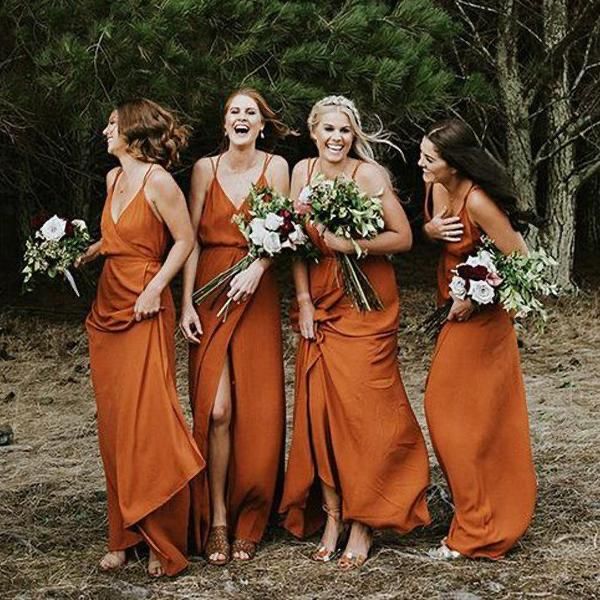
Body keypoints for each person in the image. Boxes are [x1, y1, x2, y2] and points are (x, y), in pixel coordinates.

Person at [279, 96, 431, 570]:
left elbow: (403, 237)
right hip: (320, 302)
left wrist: (353, 243)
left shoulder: (368, 175)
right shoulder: (300, 173)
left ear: (354, 134)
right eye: (328, 129)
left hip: (367, 304)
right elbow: (295, 244)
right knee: (321, 412)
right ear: (313, 131)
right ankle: (333, 514)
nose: (336, 138)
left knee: (365, 414)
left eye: (344, 130)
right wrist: (302, 301)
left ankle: (364, 521)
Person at [82, 98, 204, 576]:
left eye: (112, 124)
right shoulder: (114, 179)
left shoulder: (159, 182)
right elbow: (120, 238)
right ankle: (123, 533)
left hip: (145, 304)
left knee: (148, 420)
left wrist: (156, 288)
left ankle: (162, 536)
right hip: (107, 306)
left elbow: (185, 239)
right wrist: (90, 250)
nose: (105, 131)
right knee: (114, 423)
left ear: (133, 133)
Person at [179, 88, 291, 564]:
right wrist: (185, 303)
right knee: (217, 409)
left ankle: (251, 517)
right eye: (233, 112)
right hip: (208, 292)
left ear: (261, 125)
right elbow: (191, 240)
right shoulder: (205, 169)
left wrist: (258, 268)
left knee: (259, 409)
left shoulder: (277, 167)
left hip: (255, 291)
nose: (241, 118)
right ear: (224, 124)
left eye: (250, 113)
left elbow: (285, 229)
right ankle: (217, 519)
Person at [419, 118, 536, 560]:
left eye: (429, 158)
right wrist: (429, 231)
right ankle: (473, 511)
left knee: (461, 416)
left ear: (454, 163)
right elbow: (434, 230)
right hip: (453, 312)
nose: (421, 164)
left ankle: (480, 527)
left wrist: (474, 295)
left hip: (483, 320)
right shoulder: (435, 186)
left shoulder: (480, 200)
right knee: (451, 414)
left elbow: (521, 262)